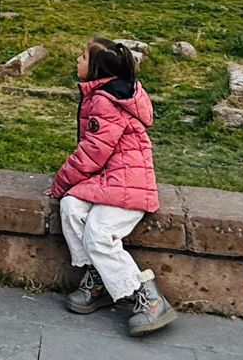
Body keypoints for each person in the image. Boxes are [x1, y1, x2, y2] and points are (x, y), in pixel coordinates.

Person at [50, 37, 175, 336]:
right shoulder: (104, 94)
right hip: (109, 179)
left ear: (95, 68)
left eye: (82, 57)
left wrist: (61, 181)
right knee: (70, 206)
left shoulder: (105, 101)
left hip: (128, 182)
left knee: (98, 234)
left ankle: (149, 298)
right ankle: (99, 279)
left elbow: (94, 152)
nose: (77, 60)